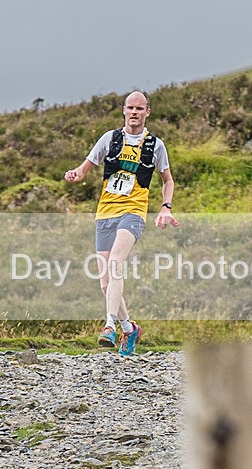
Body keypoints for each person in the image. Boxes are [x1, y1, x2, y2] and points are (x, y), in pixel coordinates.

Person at [64, 91, 179, 356]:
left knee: (116, 262)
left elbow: (167, 180)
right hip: (105, 213)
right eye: (130, 108)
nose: (135, 112)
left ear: (147, 112)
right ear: (124, 111)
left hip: (133, 212)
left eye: (140, 108)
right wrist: (74, 175)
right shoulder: (110, 139)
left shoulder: (155, 145)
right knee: (105, 283)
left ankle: (108, 326)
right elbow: (84, 169)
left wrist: (165, 207)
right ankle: (129, 327)